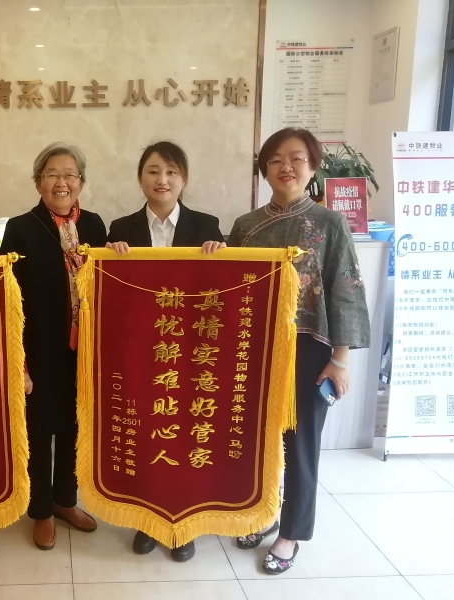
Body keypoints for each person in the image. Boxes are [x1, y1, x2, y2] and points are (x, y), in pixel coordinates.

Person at [202, 127, 370, 574]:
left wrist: (340, 360)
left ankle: (291, 532)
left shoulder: (330, 224)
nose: (286, 167)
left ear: (313, 166)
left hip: (309, 349)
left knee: (301, 444)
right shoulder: (246, 225)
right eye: (275, 159)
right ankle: (262, 513)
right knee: (257, 439)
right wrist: (216, 255)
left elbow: (347, 292)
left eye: (296, 158)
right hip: (254, 348)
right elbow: (228, 289)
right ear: (265, 169)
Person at [106, 140, 224, 562]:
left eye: (171, 171)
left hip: (190, 354)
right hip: (141, 353)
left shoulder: (207, 226)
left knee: (185, 436)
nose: (162, 179)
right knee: (146, 434)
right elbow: (108, 294)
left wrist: (222, 258)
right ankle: (147, 520)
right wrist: (110, 259)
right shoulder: (120, 229)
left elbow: (223, 293)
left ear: (183, 178)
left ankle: (183, 524)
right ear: (141, 178)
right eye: (153, 171)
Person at [0, 143, 105, 551]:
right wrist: (19, 360)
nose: (62, 182)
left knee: (76, 425)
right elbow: (10, 298)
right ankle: (41, 509)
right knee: (40, 429)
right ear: (38, 182)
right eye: (52, 174)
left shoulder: (94, 225)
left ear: (81, 182)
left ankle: (65, 500)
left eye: (70, 174)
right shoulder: (21, 228)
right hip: (39, 348)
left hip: (83, 350)